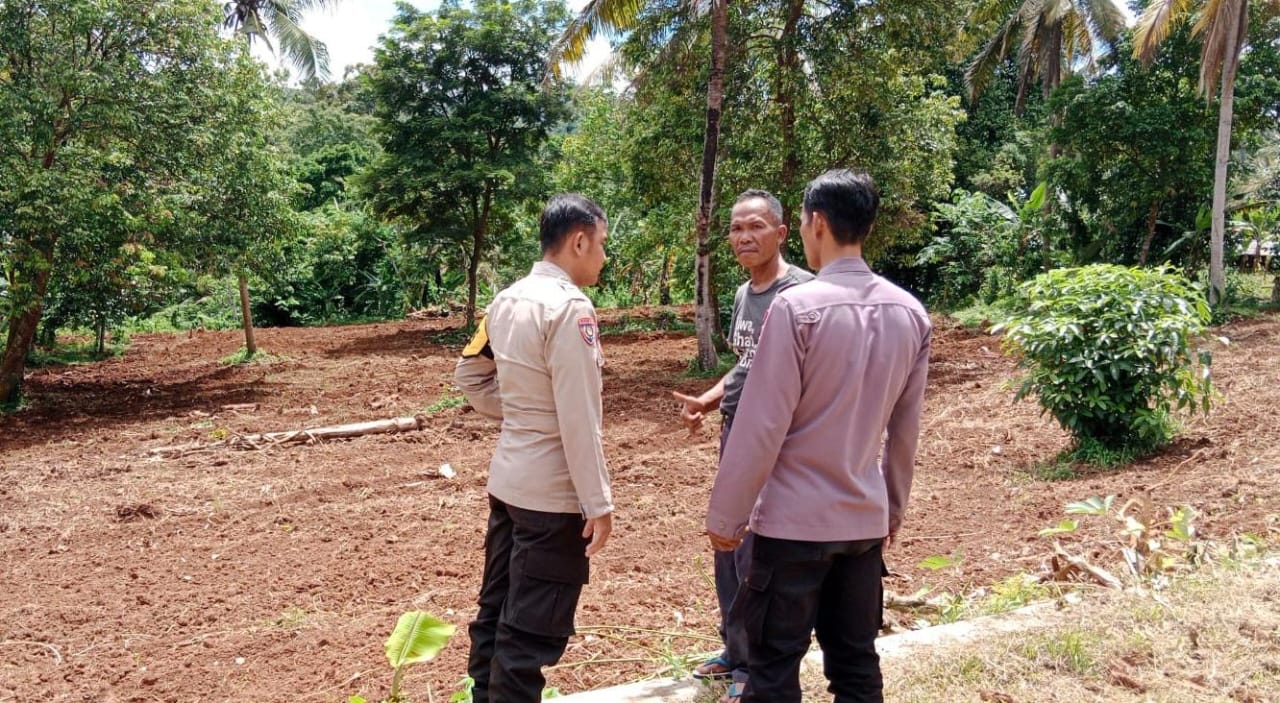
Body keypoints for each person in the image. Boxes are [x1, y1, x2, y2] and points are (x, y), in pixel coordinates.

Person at [706, 170, 931, 703]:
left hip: (791, 527)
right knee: (856, 665)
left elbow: (762, 425)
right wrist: (891, 512)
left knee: (773, 670)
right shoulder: (910, 312)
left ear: (817, 224)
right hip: (862, 525)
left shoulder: (796, 308)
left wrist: (726, 517)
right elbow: (905, 432)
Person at [455, 193, 615, 703]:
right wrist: (599, 502)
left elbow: (470, 375)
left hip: (508, 485)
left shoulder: (505, 300)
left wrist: (525, 411)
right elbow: (578, 418)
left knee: (495, 614)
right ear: (579, 241)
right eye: (602, 245)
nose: (604, 257)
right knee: (528, 637)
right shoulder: (571, 309)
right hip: (552, 499)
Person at [671, 189, 813, 699]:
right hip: (735, 433)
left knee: (759, 552)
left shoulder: (803, 293)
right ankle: (735, 651)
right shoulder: (742, 295)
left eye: (756, 226)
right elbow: (745, 365)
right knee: (727, 541)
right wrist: (708, 402)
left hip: (775, 440)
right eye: (736, 228)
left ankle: (757, 667)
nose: (744, 237)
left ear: (781, 232)